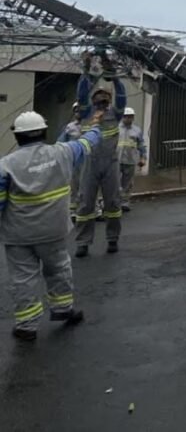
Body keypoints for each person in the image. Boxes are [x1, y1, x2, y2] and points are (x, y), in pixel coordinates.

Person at [0, 109, 102, 341]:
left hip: (18, 236)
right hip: (53, 231)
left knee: (23, 279)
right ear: (44, 132)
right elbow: (88, 142)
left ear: (17, 136)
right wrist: (96, 123)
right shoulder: (63, 153)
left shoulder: (5, 165)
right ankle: (63, 310)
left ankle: (26, 326)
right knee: (58, 270)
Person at [74, 53, 126, 258]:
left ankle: (112, 239)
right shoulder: (87, 113)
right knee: (85, 203)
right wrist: (86, 71)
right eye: (99, 97)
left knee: (113, 203)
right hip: (90, 163)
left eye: (106, 98)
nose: (102, 100)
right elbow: (81, 93)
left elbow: (121, 95)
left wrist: (113, 76)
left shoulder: (116, 113)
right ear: (93, 100)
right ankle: (83, 243)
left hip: (111, 163)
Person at [117, 107, 146, 211]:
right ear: (122, 117)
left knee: (127, 183)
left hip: (130, 160)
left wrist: (143, 158)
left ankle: (124, 202)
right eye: (126, 116)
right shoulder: (116, 128)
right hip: (117, 160)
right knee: (115, 182)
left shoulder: (137, 130)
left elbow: (141, 145)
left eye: (130, 117)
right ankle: (115, 202)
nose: (128, 119)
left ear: (133, 118)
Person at [57, 102, 83, 217]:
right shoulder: (70, 127)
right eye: (76, 110)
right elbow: (60, 143)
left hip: (90, 161)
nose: (78, 113)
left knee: (90, 186)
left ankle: (92, 209)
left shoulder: (92, 125)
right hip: (74, 161)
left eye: (80, 110)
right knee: (74, 185)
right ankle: (73, 209)